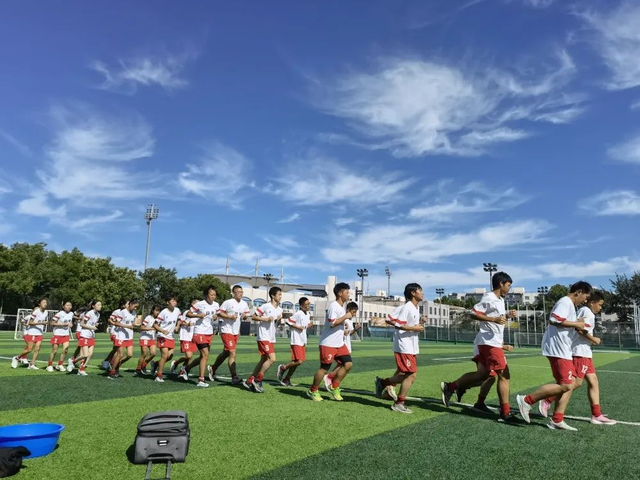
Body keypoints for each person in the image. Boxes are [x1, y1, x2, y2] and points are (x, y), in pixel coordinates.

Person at [441, 272, 517, 422]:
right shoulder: (489, 297)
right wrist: (493, 319)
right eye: (508, 285)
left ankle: (451, 387)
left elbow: (496, 319)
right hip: (489, 343)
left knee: (484, 375)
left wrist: (507, 316)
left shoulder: (500, 300)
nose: (509, 288)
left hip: (490, 343)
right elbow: (473, 313)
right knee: (504, 375)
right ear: (501, 284)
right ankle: (505, 413)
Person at [517, 281, 592, 430]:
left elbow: (563, 322)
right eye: (585, 297)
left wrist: (576, 323)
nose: (585, 301)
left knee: (570, 384)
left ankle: (557, 419)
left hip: (564, 349)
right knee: (566, 384)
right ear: (578, 292)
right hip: (558, 349)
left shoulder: (570, 305)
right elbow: (554, 319)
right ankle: (527, 400)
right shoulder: (565, 302)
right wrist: (576, 324)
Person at [538, 290, 616, 425]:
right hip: (579, 352)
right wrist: (593, 339)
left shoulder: (587, 312)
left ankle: (596, 414)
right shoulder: (586, 311)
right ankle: (548, 400)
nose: (601, 308)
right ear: (592, 302)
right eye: (600, 304)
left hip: (585, 352)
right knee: (574, 383)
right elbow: (579, 329)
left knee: (593, 381)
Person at [375, 283, 425, 414]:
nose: (422, 293)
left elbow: (410, 326)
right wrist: (415, 328)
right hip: (404, 345)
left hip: (412, 346)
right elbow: (398, 325)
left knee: (407, 374)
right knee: (411, 375)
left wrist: (420, 324)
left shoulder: (415, 308)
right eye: (420, 290)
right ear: (413, 293)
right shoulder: (407, 307)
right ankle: (399, 403)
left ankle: (383, 383)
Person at [307, 282, 353, 402]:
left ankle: (334, 386)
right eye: (347, 292)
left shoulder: (341, 308)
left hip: (339, 343)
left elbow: (337, 323)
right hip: (328, 343)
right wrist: (345, 317)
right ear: (340, 293)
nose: (349, 294)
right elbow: (332, 323)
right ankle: (313, 390)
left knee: (348, 364)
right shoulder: (334, 306)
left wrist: (344, 325)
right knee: (324, 368)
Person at [208, 285, 251, 385]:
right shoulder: (228, 302)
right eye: (238, 292)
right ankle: (234, 377)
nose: (240, 294)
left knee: (226, 353)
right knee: (232, 352)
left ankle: (212, 368)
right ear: (233, 293)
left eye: (241, 292)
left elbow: (246, 316)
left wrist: (245, 316)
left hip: (236, 332)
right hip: (226, 330)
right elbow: (219, 313)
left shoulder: (244, 304)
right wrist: (230, 317)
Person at [244, 287, 283, 393]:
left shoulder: (280, 309)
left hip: (271, 337)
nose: (280, 296)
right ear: (273, 296)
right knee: (272, 359)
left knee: (263, 360)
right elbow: (254, 317)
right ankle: (258, 380)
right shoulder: (266, 306)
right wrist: (265, 319)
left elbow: (276, 324)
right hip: (263, 336)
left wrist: (279, 320)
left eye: (281, 294)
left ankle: (250, 380)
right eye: (279, 294)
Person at [456, 343, 515, 413]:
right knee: (491, 377)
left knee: (488, 378)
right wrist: (503, 346)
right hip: (486, 348)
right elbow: (487, 339)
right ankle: (455, 386)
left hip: (490, 347)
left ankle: (477, 401)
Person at [186, 286, 220, 388]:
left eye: (214, 295)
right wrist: (198, 315)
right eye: (211, 294)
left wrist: (215, 317)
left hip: (209, 332)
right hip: (199, 331)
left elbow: (216, 316)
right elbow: (188, 313)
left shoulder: (216, 305)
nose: (213, 296)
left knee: (203, 356)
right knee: (205, 354)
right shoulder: (199, 304)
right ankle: (201, 380)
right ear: (206, 295)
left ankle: (186, 369)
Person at [324, 302, 360, 390]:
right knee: (344, 364)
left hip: (347, 345)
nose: (354, 314)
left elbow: (349, 333)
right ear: (348, 310)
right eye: (353, 312)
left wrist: (355, 329)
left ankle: (330, 381)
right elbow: (338, 330)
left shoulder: (350, 321)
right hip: (341, 345)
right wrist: (344, 332)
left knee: (343, 364)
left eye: (355, 312)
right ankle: (330, 377)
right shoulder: (343, 319)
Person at [277, 297, 312, 386]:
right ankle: (283, 368)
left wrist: (309, 325)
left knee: (296, 362)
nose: (308, 306)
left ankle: (287, 379)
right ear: (301, 306)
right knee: (299, 361)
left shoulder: (307, 314)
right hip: (296, 340)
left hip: (302, 340)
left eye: (309, 304)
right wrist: (298, 327)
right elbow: (288, 322)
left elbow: (305, 325)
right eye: (306, 304)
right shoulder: (298, 313)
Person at [107, 299, 140, 380]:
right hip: (121, 336)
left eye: (137, 307)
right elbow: (116, 323)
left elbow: (131, 323)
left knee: (130, 355)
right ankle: (112, 371)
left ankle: (117, 365)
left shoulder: (134, 313)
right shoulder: (123, 312)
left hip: (129, 336)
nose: (135, 308)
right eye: (135, 306)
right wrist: (127, 326)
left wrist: (135, 324)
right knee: (120, 354)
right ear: (131, 304)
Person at [12, 299, 48, 370]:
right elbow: (30, 322)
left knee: (37, 349)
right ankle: (16, 358)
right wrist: (41, 323)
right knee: (29, 349)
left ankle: (32, 364)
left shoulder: (46, 312)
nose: (45, 303)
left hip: (40, 333)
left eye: (46, 302)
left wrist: (44, 322)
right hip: (32, 333)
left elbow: (42, 320)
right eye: (43, 302)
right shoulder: (36, 312)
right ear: (39, 304)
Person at [69, 300, 102, 376]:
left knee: (90, 354)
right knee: (85, 355)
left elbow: (92, 324)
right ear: (93, 306)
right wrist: (92, 327)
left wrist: (95, 325)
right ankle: (73, 361)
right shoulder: (89, 313)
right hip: (85, 335)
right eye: (98, 305)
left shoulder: (98, 314)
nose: (100, 306)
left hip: (91, 336)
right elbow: (82, 324)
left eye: (100, 305)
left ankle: (81, 369)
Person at [153, 296, 181, 383]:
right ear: (167, 302)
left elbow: (180, 319)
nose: (175, 302)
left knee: (170, 356)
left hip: (171, 336)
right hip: (162, 336)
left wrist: (177, 326)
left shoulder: (177, 310)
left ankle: (155, 364)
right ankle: (159, 375)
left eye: (175, 301)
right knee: (164, 356)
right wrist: (162, 330)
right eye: (172, 301)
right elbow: (155, 324)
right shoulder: (163, 312)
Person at [173, 299, 198, 383]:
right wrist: (187, 324)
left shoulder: (198, 314)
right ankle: (176, 363)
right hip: (185, 336)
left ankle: (182, 371)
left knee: (189, 357)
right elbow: (181, 322)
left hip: (193, 337)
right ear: (192, 304)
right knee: (188, 356)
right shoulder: (187, 312)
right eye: (197, 304)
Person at [46, 301, 74, 372]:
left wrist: (71, 324)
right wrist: (63, 324)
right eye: (67, 305)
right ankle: (49, 365)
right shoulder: (60, 313)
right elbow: (52, 323)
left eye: (70, 305)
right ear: (63, 306)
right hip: (57, 334)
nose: (69, 307)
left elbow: (70, 322)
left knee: (65, 350)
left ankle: (59, 364)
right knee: (54, 351)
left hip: (66, 334)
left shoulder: (71, 313)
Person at [135, 305, 161, 376]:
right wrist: (152, 328)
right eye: (156, 310)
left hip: (152, 338)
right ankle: (138, 369)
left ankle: (143, 365)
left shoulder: (157, 319)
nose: (158, 312)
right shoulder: (148, 317)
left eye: (159, 311)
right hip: (144, 337)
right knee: (144, 353)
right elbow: (142, 327)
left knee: (153, 353)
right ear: (153, 310)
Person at [102, 300, 128, 370]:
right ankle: (111, 363)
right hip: (115, 332)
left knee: (115, 349)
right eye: (127, 304)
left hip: (121, 333)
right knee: (117, 349)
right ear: (123, 305)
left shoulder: (128, 313)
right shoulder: (117, 311)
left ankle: (107, 361)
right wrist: (115, 324)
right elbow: (109, 319)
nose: (129, 305)